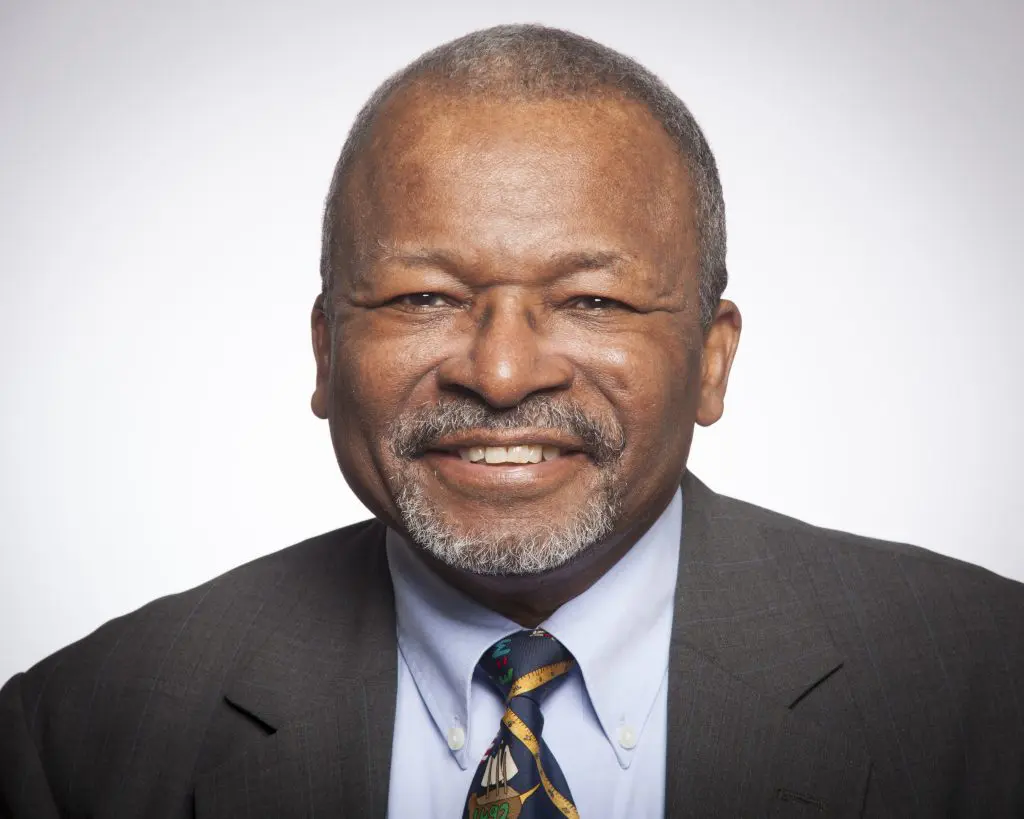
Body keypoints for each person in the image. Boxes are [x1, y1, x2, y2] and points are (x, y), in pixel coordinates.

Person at [1, 23, 1021, 819]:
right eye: (424, 297)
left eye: (592, 300)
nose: (499, 373)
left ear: (712, 360)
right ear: (326, 352)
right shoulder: (76, 733)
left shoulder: (990, 684)